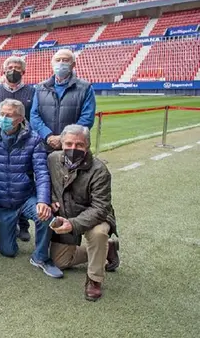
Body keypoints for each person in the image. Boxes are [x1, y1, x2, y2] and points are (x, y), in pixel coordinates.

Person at [0, 99, 63, 278]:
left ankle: (40, 257)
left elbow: (42, 173)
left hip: (26, 197)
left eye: (9, 115)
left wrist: (43, 201)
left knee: (45, 216)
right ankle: (10, 227)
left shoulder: (34, 139)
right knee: (8, 251)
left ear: (21, 118)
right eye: (2, 114)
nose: (3, 119)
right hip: (3, 203)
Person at [48, 125, 120, 301]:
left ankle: (94, 279)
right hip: (66, 213)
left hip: (95, 216)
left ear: (87, 146)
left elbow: (100, 207)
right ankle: (108, 248)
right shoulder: (52, 159)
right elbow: (47, 184)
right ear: (61, 144)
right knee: (60, 262)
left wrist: (72, 224)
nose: (73, 149)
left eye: (79, 145)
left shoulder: (99, 170)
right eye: (69, 143)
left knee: (98, 233)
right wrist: (49, 199)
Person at [0, 56, 35, 241]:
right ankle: (0, 222)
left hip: (23, 146)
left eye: (16, 67)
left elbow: (35, 118)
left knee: (24, 183)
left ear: (23, 71)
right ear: (3, 70)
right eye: (9, 67)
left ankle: (23, 225)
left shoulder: (32, 92)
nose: (12, 70)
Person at [30, 49, 96, 152]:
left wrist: (64, 138)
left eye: (65, 60)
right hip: (44, 146)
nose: (61, 63)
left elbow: (87, 118)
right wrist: (48, 136)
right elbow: (34, 116)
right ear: (52, 64)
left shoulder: (85, 88)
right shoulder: (40, 87)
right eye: (58, 60)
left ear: (73, 64)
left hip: (73, 147)